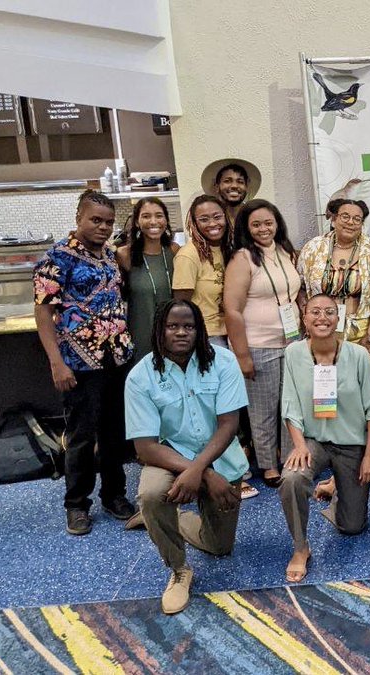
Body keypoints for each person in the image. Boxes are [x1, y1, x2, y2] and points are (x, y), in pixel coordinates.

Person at [125, 300, 247, 614]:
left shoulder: (223, 361)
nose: (181, 332)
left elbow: (229, 424)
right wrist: (202, 474)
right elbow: (146, 447)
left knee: (221, 547)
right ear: (159, 330)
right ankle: (179, 570)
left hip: (220, 455)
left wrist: (202, 468)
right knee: (152, 494)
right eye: (172, 326)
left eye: (188, 326)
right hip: (169, 458)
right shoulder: (141, 377)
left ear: (199, 330)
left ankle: (168, 518)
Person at [33, 189, 137, 534]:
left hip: (116, 359)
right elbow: (43, 312)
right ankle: (77, 504)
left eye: (108, 222)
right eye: (95, 220)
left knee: (114, 434)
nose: (103, 227)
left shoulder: (109, 257)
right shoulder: (57, 258)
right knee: (81, 436)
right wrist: (55, 363)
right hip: (78, 362)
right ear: (79, 217)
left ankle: (114, 495)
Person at [278, 294, 370, 582]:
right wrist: (299, 445)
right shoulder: (294, 354)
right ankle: (301, 547)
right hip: (313, 441)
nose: (322, 317)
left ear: (339, 319)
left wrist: (369, 456)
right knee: (291, 477)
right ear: (304, 319)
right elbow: (290, 405)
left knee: (352, 527)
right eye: (315, 312)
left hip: (351, 443)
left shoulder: (358, 355)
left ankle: (337, 485)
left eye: (329, 312)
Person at [223, 199, 302, 488]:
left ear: (277, 223)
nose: (263, 229)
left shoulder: (285, 251)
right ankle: (268, 464)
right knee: (263, 409)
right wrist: (242, 355)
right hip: (258, 345)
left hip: (292, 343)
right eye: (255, 224)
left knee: (289, 405)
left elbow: (294, 294)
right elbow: (231, 309)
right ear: (246, 227)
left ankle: (290, 456)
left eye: (268, 222)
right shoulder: (242, 259)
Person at [297, 199, 370, 363]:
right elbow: (300, 289)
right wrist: (310, 323)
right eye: (345, 216)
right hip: (323, 330)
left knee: (367, 385)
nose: (351, 222)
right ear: (334, 219)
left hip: (365, 329)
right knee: (329, 385)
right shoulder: (313, 248)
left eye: (357, 219)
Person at [116, 197, 178, 363]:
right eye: (146, 216)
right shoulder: (124, 255)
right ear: (136, 222)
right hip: (140, 335)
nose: (153, 221)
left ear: (166, 220)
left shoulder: (174, 251)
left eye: (159, 216)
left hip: (173, 335)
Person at [173, 194, 235, 348]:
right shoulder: (188, 255)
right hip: (206, 336)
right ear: (194, 223)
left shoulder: (228, 249)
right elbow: (181, 305)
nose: (212, 223)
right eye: (204, 219)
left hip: (231, 331)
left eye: (217, 217)